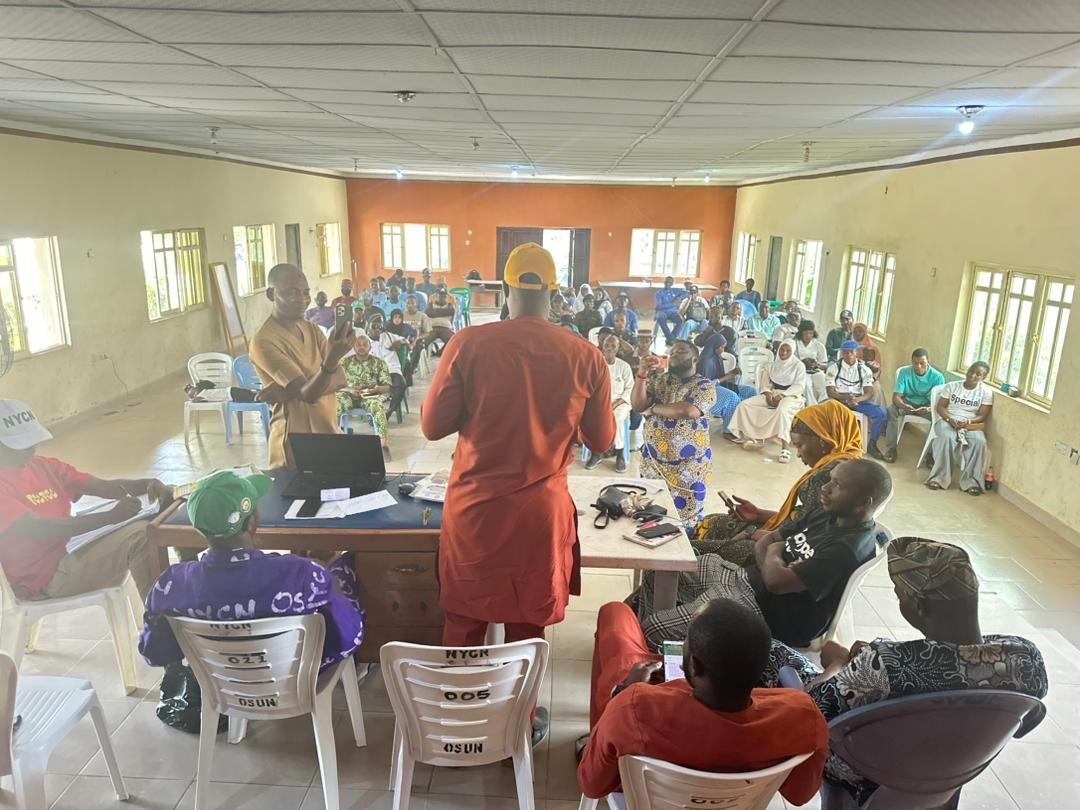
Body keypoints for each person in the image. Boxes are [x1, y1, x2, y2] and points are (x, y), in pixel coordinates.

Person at [421, 243, 615, 740]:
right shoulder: (586, 356)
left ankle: (462, 726)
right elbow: (602, 441)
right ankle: (518, 730)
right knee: (526, 625)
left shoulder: (468, 344)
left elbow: (432, 426)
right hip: (538, 516)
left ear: (505, 288)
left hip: (475, 512)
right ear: (554, 292)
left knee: (465, 621)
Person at [769, 537, 1047, 805]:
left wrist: (838, 663)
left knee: (774, 653)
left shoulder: (886, 665)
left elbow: (811, 710)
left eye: (900, 595)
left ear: (919, 605)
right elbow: (1023, 723)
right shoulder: (1026, 658)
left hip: (866, 771)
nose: (900, 601)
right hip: (951, 770)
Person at [577, 598, 828, 804]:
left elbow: (592, 785)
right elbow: (800, 795)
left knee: (615, 613)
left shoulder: (633, 707)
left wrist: (625, 690)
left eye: (686, 642)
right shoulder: (804, 716)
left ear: (695, 666)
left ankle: (592, 738)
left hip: (640, 796)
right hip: (736, 802)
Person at [633, 459, 890, 649]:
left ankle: (664, 653)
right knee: (663, 569)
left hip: (767, 612)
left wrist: (774, 555)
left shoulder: (847, 548)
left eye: (837, 485)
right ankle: (664, 652)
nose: (825, 488)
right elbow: (768, 542)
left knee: (654, 628)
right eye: (829, 479)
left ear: (863, 502)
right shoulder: (826, 513)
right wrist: (775, 560)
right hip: (746, 580)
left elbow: (776, 582)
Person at [139, 471, 363, 672]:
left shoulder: (170, 586)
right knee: (346, 565)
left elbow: (154, 653)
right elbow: (349, 639)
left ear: (200, 529)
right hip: (295, 679)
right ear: (251, 522)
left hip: (222, 685)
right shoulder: (304, 575)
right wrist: (331, 577)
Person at [0, 399, 171, 602]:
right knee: (141, 537)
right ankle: (161, 617)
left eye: (32, 442)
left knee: (155, 525)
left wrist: (147, 484)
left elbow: (103, 486)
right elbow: (39, 529)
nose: (31, 450)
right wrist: (109, 517)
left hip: (70, 550)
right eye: (21, 445)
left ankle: (170, 609)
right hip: (44, 577)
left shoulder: (43, 466)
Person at [696, 401, 864, 564]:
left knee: (698, 546)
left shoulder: (830, 476)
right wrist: (758, 514)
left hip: (785, 554)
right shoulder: (849, 466)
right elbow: (804, 518)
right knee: (713, 522)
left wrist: (753, 533)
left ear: (823, 439)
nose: (798, 454)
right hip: (785, 537)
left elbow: (806, 534)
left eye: (800, 445)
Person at [250, 264, 353, 469]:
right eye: (291, 293)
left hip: (328, 433)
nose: (302, 300)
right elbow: (309, 395)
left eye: (305, 292)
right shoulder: (264, 341)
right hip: (294, 445)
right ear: (271, 294)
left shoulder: (312, 329)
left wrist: (288, 392)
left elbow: (341, 379)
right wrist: (329, 363)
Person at [633, 340, 717, 528]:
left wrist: (653, 409)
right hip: (653, 465)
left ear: (695, 358)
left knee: (686, 520)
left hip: (689, 470)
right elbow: (638, 405)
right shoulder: (659, 381)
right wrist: (642, 374)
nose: (674, 355)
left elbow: (687, 411)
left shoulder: (704, 386)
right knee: (651, 515)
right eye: (672, 352)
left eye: (681, 351)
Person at [728, 340, 806, 463]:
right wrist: (768, 394)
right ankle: (754, 437)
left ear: (793, 352)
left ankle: (785, 447)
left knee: (782, 410)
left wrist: (783, 395)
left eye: (788, 350)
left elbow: (799, 386)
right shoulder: (771, 365)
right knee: (744, 405)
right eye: (782, 349)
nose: (784, 353)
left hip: (791, 396)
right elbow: (765, 385)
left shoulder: (798, 366)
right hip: (773, 393)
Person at [926, 361, 993, 495]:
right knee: (947, 437)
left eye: (978, 374)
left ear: (983, 378)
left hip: (970, 424)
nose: (972, 375)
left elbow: (982, 415)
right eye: (971, 371)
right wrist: (951, 419)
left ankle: (971, 482)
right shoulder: (952, 386)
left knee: (979, 442)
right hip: (948, 420)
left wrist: (968, 422)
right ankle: (938, 478)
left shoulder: (986, 393)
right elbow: (940, 407)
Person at [883, 348, 945, 463]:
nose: (918, 366)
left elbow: (939, 403)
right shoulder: (904, 372)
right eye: (915, 363)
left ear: (928, 362)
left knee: (939, 420)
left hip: (927, 406)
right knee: (891, 410)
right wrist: (904, 406)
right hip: (907, 403)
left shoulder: (938, 377)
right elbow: (896, 397)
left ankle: (930, 454)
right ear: (912, 362)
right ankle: (891, 448)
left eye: (922, 363)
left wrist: (928, 409)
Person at [826, 341, 887, 456]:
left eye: (851, 352)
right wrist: (846, 398)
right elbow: (830, 391)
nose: (849, 355)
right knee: (828, 410)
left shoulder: (864, 369)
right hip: (839, 399)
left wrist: (857, 400)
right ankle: (834, 444)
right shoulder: (833, 368)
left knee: (881, 413)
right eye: (846, 352)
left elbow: (869, 392)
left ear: (856, 352)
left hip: (858, 401)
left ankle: (872, 444)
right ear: (842, 353)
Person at [336, 334, 392, 451]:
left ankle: (383, 446)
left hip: (369, 396)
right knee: (334, 405)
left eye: (365, 344)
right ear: (354, 347)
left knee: (378, 408)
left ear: (370, 347)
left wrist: (377, 389)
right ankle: (333, 441)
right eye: (358, 344)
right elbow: (335, 384)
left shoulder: (379, 363)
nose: (361, 347)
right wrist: (349, 390)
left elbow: (387, 387)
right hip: (348, 395)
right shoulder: (344, 362)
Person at [587, 334, 634, 473]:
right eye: (607, 345)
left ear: (618, 347)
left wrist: (616, 403)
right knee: (591, 418)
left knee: (616, 418)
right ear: (602, 347)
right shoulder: (595, 365)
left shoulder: (624, 366)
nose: (610, 348)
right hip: (599, 402)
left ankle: (620, 453)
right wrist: (600, 403)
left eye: (613, 345)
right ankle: (596, 453)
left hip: (621, 403)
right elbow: (589, 386)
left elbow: (630, 388)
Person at [363, 314, 409, 416]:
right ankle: (373, 413)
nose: (377, 329)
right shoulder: (363, 341)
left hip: (392, 371)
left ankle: (389, 412)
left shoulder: (388, 336)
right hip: (374, 374)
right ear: (368, 326)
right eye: (374, 326)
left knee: (401, 384)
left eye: (380, 326)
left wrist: (400, 342)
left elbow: (406, 340)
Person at [794, 320, 828, 405]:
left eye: (810, 333)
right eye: (805, 333)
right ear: (801, 333)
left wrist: (817, 365)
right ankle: (812, 406)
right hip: (801, 371)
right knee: (806, 384)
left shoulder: (819, 345)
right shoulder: (795, 343)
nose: (808, 336)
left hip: (815, 370)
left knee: (823, 382)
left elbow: (825, 365)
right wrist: (802, 363)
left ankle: (823, 404)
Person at [653, 276, 685, 342]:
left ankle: (671, 338)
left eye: (670, 282)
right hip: (662, 312)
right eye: (666, 282)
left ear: (672, 284)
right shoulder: (659, 293)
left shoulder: (675, 291)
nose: (668, 284)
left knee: (680, 321)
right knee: (660, 319)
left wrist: (680, 297)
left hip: (673, 312)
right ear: (664, 282)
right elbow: (659, 306)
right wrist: (673, 304)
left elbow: (686, 293)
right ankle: (670, 338)